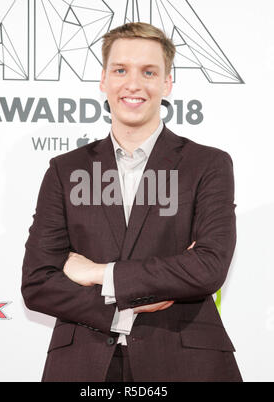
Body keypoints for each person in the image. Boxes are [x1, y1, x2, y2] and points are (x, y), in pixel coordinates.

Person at [21, 22, 242, 382]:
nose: (133, 84)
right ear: (103, 80)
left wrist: (98, 273)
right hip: (84, 363)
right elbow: (37, 282)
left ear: (167, 83)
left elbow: (208, 267)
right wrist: (120, 314)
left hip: (186, 361)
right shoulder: (65, 170)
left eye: (149, 72)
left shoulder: (208, 165)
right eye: (120, 70)